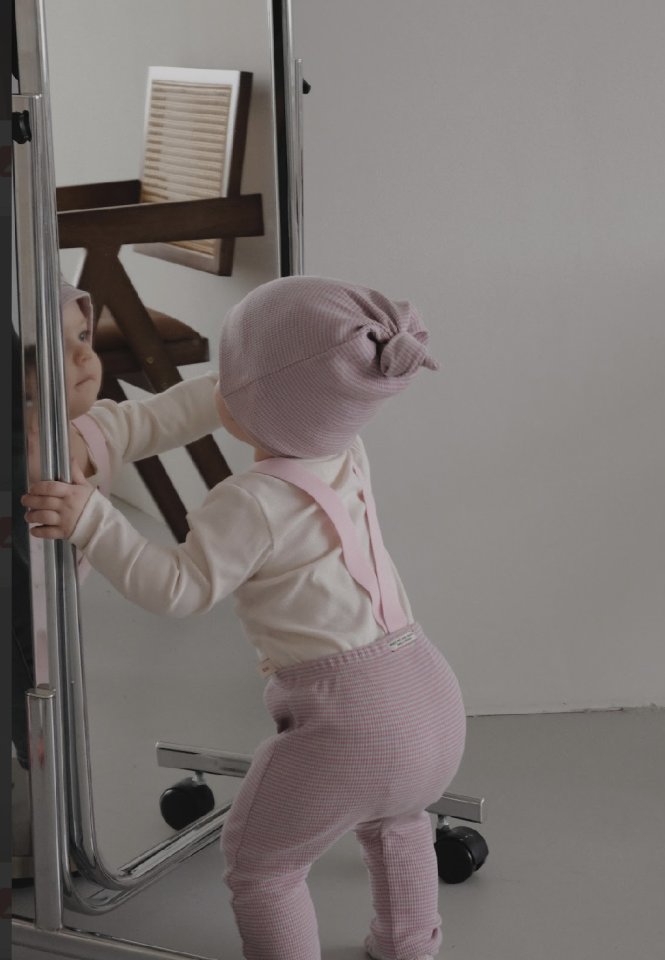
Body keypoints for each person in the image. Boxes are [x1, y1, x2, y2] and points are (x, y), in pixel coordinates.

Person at [22, 275, 467, 960]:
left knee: (263, 866)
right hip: (430, 695)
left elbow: (177, 589)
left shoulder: (249, 503)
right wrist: (118, 426)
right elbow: (216, 400)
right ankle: (408, 945)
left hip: (348, 721)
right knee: (396, 818)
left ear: (255, 400)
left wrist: (94, 520)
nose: (215, 385)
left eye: (229, 374)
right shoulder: (345, 448)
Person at [12, 277, 221, 882]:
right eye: (58, 348)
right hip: (19, 616)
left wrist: (235, 388)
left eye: (84, 336)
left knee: (48, 702)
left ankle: (45, 827)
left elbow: (162, 416)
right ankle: (34, 840)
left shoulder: (92, 429)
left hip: (48, 614)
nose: (85, 356)